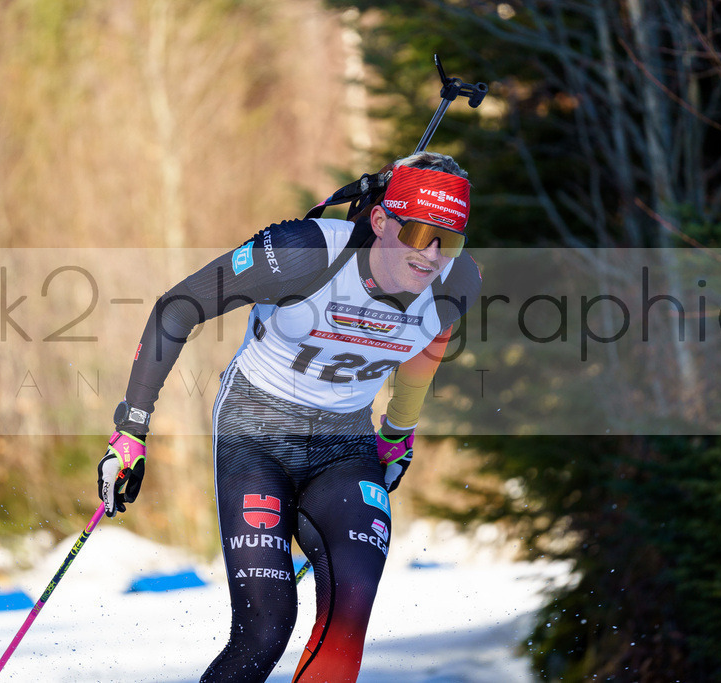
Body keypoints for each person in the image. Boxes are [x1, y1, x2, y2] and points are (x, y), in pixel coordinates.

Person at [97, 151, 482, 682]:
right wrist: (132, 430)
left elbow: (425, 347)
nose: (433, 256)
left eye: (450, 240)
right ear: (379, 220)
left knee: (348, 620)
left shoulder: (457, 282)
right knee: (265, 631)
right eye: (418, 233)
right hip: (256, 431)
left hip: (345, 443)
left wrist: (398, 430)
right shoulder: (306, 252)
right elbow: (179, 306)